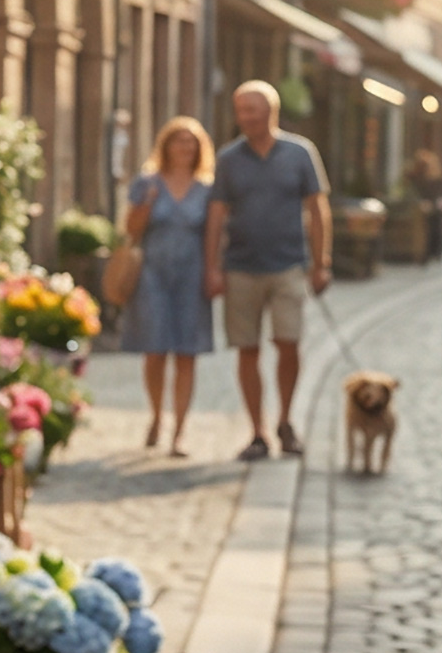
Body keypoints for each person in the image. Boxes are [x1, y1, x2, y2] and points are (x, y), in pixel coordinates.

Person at [202, 79, 332, 460]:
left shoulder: (299, 153)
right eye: (240, 110)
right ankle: (257, 430)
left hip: (289, 264)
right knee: (247, 349)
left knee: (288, 342)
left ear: (270, 112)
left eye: (251, 110)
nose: (245, 118)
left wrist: (321, 263)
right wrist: (212, 267)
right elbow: (216, 215)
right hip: (240, 266)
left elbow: (317, 209)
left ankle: (286, 420)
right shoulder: (228, 159)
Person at [120, 115, 216, 454]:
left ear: (199, 148)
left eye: (191, 142)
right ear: (166, 145)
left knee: (187, 352)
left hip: (192, 275)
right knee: (155, 350)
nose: (185, 147)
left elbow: (215, 235)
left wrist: (214, 273)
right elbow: (130, 230)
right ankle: (157, 416)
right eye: (179, 140)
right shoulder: (147, 182)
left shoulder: (208, 189)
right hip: (152, 275)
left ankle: (180, 430)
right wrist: (146, 204)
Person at [406, 145, 442, 264]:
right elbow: (413, 191)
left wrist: (439, 201)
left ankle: (437, 252)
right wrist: (421, 202)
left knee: (437, 228)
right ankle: (425, 254)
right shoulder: (414, 176)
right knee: (424, 231)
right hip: (421, 207)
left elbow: (440, 190)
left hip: (435, 205)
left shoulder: (435, 175)